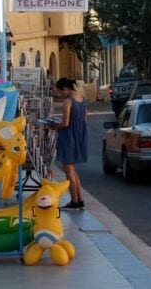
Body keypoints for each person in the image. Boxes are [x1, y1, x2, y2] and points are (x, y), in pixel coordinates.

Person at [51, 78, 88, 209]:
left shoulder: (68, 101)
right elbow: (84, 117)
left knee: (68, 170)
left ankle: (74, 200)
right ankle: (80, 199)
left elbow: (65, 123)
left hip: (68, 137)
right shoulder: (82, 99)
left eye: (60, 92)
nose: (60, 95)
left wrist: (53, 126)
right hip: (79, 136)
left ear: (66, 89)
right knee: (72, 170)